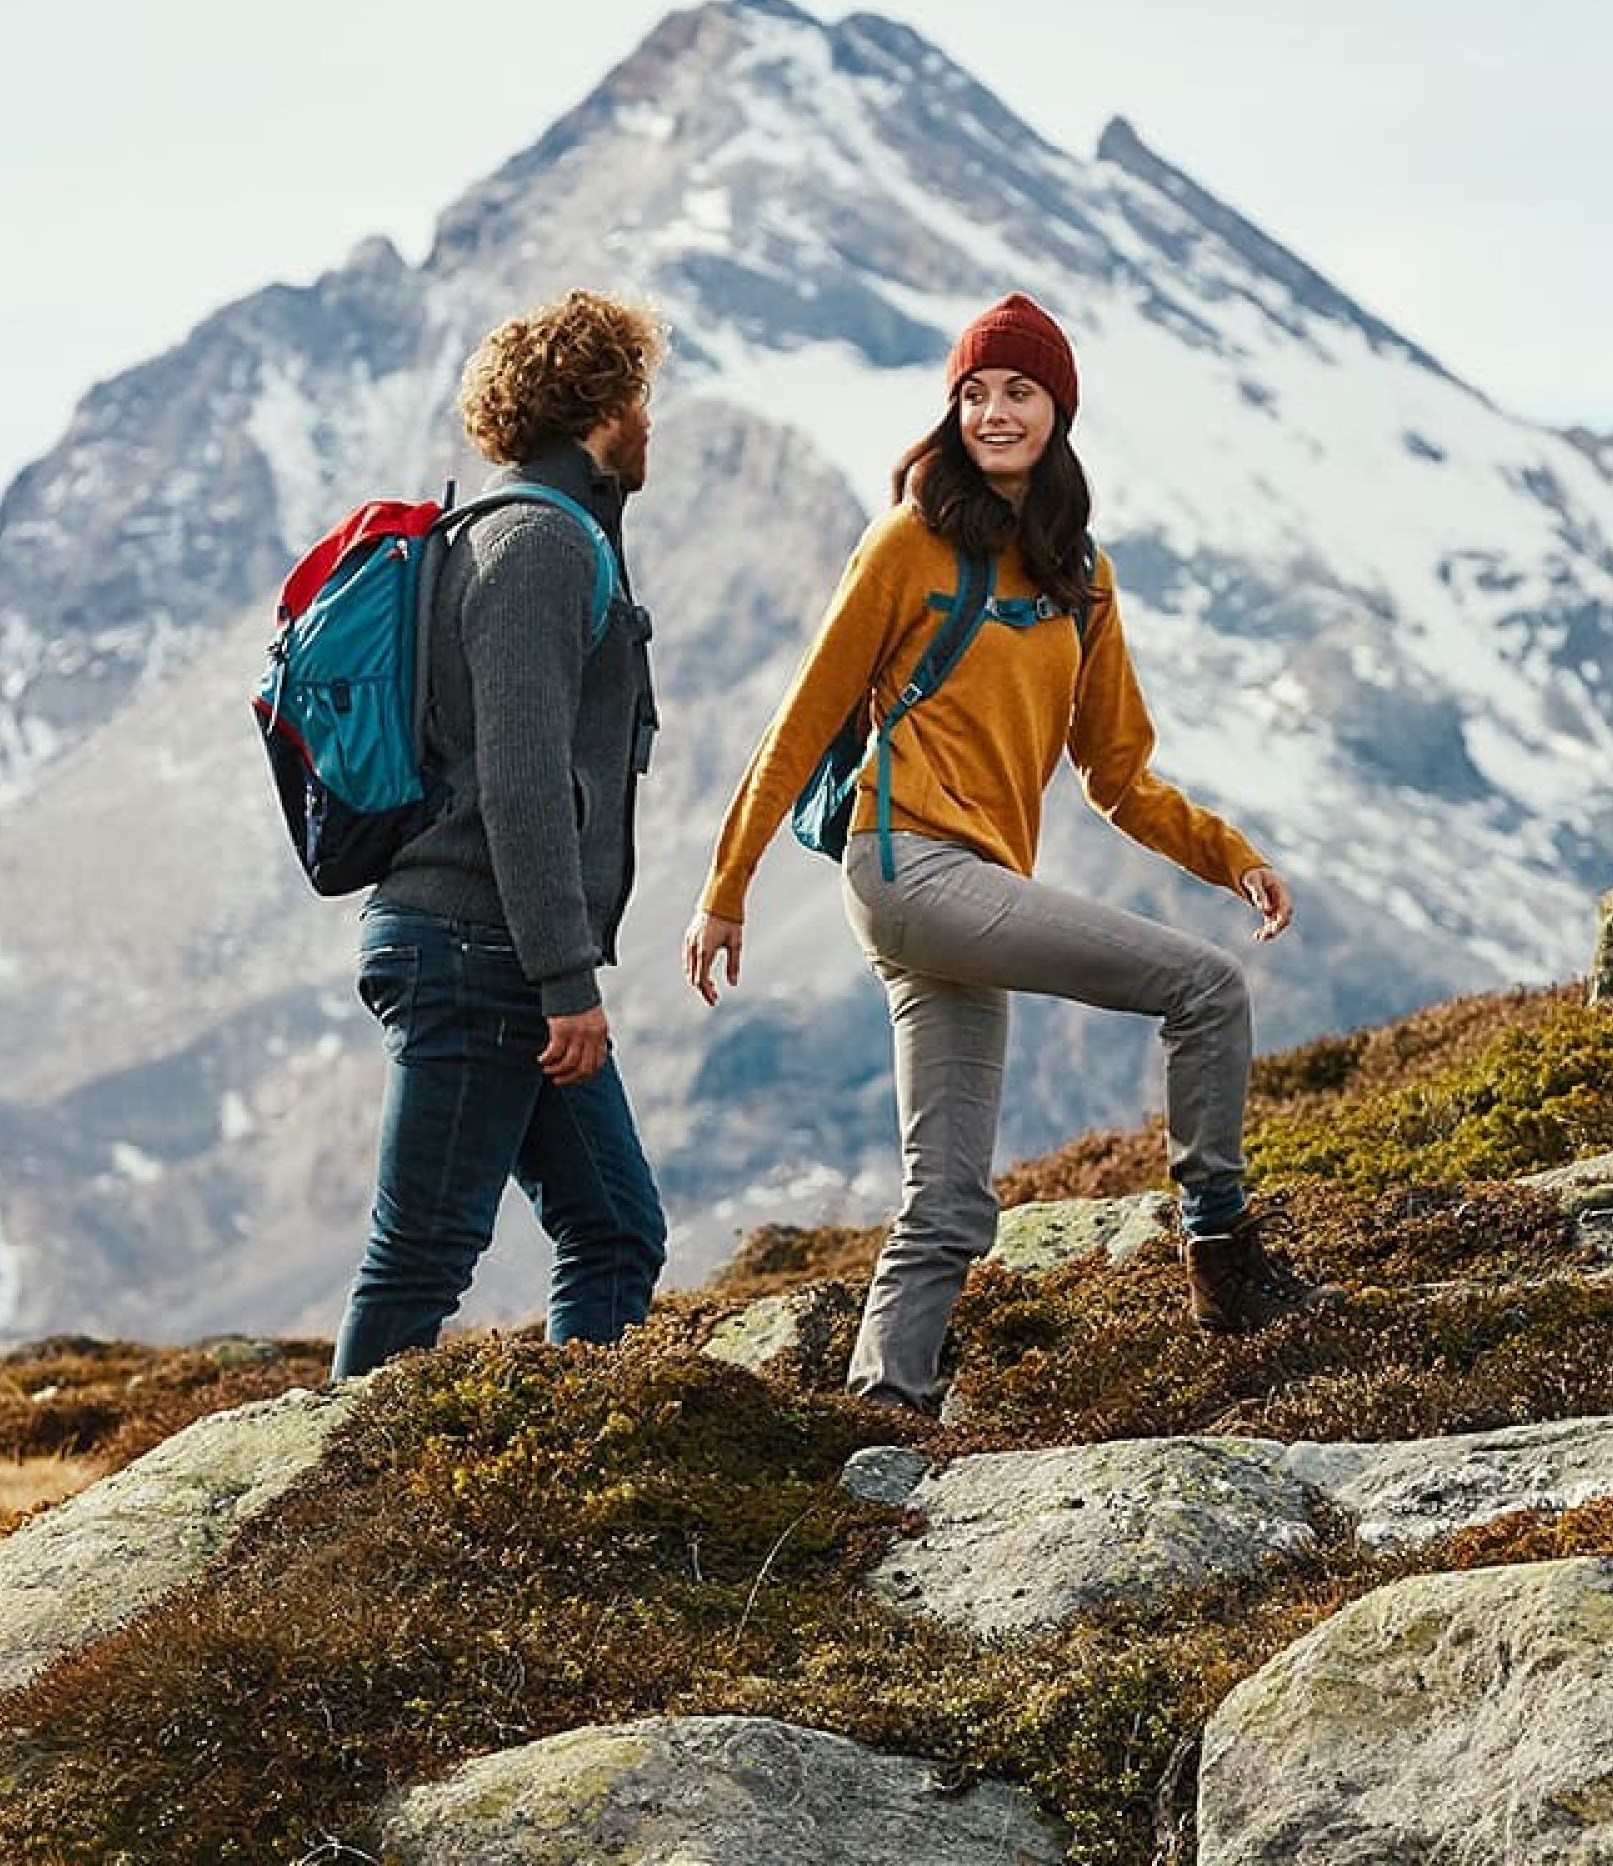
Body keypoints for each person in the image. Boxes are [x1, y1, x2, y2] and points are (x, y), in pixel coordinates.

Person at [684, 291, 1317, 1417]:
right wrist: (725, 890)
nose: (993, 411)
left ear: (1057, 408)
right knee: (1206, 990)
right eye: (973, 394)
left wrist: (1230, 857)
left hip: (971, 890)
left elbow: (1115, 773)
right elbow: (802, 718)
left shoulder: (1081, 572)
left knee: (947, 1196)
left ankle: (882, 1414)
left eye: (1017, 390)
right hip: (905, 869)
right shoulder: (907, 542)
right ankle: (1221, 1258)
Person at [333, 290, 669, 1379]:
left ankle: (582, 1478)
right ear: (603, 408)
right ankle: (318, 1532)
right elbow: (524, 780)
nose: (650, 420)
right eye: (641, 395)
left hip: (491, 949)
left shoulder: (543, 532)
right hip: (480, 949)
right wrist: (566, 977)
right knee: (423, 1258)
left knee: (615, 1227)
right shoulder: (533, 546)